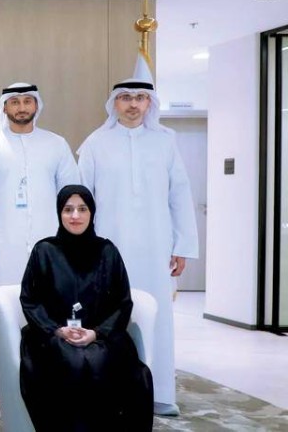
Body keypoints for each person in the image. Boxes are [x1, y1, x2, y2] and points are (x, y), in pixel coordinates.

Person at [77, 78, 197, 416]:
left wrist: (182, 245)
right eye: (126, 97)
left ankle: (159, 392)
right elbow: (81, 198)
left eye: (141, 98)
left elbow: (179, 195)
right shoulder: (96, 143)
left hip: (156, 247)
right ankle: (107, 392)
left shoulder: (166, 142)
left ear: (149, 103)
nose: (133, 104)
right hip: (107, 249)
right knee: (107, 316)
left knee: (157, 317)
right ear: (114, 103)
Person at [0, 83, 80, 405]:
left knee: (49, 310)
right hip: (0, 247)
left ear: (36, 105)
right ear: (4, 107)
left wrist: (69, 241)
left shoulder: (55, 144)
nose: (21, 107)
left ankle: (47, 383)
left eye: (27, 101)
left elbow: (72, 194)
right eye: (14, 102)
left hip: (49, 248)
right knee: (0, 310)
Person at [19, 185, 154, 430]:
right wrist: (57, 330)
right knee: (72, 363)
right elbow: (30, 299)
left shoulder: (108, 252)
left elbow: (123, 302)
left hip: (101, 336)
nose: (75, 216)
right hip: (53, 336)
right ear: (59, 213)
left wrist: (96, 333)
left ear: (92, 213)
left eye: (82, 209)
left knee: (104, 363)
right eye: (68, 209)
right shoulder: (44, 251)